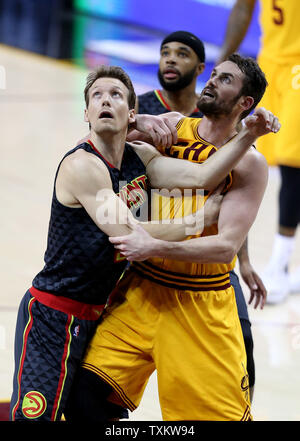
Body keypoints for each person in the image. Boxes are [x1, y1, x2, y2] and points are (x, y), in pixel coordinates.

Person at [10, 64, 266, 422]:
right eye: (97, 96)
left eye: (115, 95)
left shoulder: (141, 157)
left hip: (114, 309)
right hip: (60, 311)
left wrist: (249, 135)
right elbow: (130, 235)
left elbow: (205, 175)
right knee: (48, 414)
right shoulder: (86, 164)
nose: (105, 101)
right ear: (84, 112)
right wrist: (200, 220)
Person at [137, 30, 265, 401]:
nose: (171, 60)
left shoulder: (218, 118)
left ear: (199, 67)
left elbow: (233, 205)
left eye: (181, 54)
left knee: (241, 343)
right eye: (165, 53)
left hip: (204, 262)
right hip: (148, 246)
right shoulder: (148, 111)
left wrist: (244, 259)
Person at [217, 0, 300, 304]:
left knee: (293, 163)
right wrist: (225, 57)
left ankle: (279, 263)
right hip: (271, 62)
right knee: (253, 156)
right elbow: (243, 7)